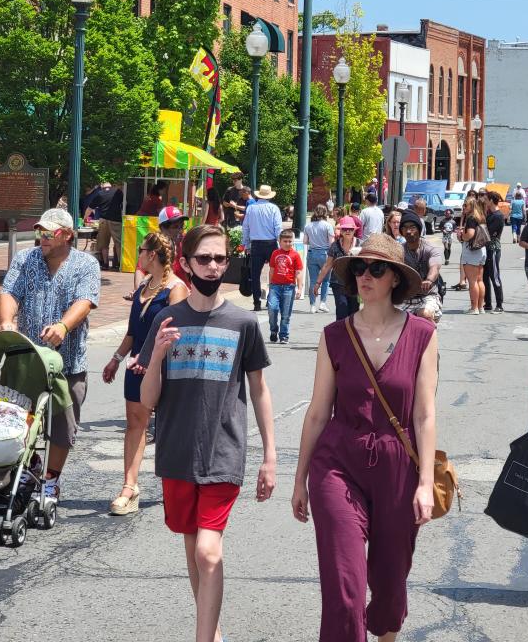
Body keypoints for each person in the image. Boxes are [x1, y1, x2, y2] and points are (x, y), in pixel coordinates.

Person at [291, 233, 437, 641]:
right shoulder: (334, 335)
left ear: (395, 279)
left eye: (376, 269)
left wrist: (425, 482)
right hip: (338, 463)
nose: (365, 276)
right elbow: (318, 411)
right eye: (359, 268)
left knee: (390, 588)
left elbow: (424, 415)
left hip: (398, 466)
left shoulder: (422, 335)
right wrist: (300, 478)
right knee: (344, 590)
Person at [138, 224, 277, 642]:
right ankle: (212, 631)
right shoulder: (167, 319)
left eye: (220, 258)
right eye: (205, 259)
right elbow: (148, 401)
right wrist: (159, 353)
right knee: (192, 547)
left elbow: (259, 390)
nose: (214, 266)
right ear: (185, 263)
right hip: (177, 454)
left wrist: (270, 456)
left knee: (207, 551)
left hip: (223, 453)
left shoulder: (242, 322)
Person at [0, 208, 101, 503]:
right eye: (39, 232)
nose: (42, 238)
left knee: (62, 427)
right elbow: (9, 294)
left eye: (49, 233)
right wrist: (7, 323)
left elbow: (85, 301)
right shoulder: (24, 260)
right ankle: (26, 469)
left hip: (68, 361)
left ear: (67, 235)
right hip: (26, 359)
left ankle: (51, 481)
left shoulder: (86, 264)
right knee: (16, 420)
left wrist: (63, 326)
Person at [102, 232, 188, 514]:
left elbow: (176, 332)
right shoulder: (143, 288)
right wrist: (116, 359)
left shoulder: (176, 288)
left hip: (165, 366)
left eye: (141, 250)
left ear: (152, 255)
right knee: (135, 424)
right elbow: (132, 332)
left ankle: (174, 481)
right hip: (136, 365)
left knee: (170, 427)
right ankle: (130, 487)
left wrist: (150, 357)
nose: (138, 255)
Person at [242, 184, 282, 312]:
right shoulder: (274, 208)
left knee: (255, 275)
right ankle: (271, 299)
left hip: (256, 244)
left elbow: (245, 228)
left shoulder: (251, 209)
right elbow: (278, 228)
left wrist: (246, 244)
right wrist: (280, 245)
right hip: (271, 244)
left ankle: (256, 302)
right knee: (275, 273)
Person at [399, 210, 443, 323]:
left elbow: (435, 266)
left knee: (424, 314)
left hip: (428, 297)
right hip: (404, 298)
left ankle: (429, 339)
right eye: (405, 228)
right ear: (401, 231)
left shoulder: (430, 249)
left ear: (419, 229)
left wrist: (428, 280)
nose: (408, 231)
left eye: (412, 227)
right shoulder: (398, 250)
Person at [312, 216, 360, 320]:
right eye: (345, 229)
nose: (348, 231)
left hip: (356, 283)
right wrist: (317, 283)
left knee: (354, 313)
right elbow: (327, 265)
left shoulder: (360, 244)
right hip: (338, 283)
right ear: (341, 231)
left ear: (354, 230)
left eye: (350, 229)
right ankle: (340, 335)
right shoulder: (335, 245)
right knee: (342, 310)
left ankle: (352, 335)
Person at [267, 229, 303, 343]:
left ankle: (284, 335)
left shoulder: (295, 255)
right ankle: (273, 330)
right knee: (272, 309)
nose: (288, 243)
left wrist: (300, 288)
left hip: (289, 287)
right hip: (275, 286)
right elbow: (271, 270)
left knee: (286, 314)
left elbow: (298, 272)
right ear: (280, 241)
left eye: (290, 241)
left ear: (293, 242)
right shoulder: (275, 253)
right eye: (285, 241)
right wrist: (270, 285)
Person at [85, 181, 124, 270]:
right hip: (116, 220)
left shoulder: (100, 194)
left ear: (102, 187)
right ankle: (119, 263)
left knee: (103, 243)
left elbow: (90, 208)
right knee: (118, 242)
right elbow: (123, 204)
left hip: (103, 220)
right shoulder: (118, 192)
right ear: (111, 186)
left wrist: (85, 218)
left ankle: (105, 264)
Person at [303, 204, 334, 314]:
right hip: (325, 253)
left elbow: (305, 241)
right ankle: (322, 302)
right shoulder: (327, 225)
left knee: (313, 280)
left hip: (312, 253)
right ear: (325, 212)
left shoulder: (308, 226)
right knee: (325, 280)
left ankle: (312, 305)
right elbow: (331, 243)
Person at [459, 199, 488, 315]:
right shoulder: (480, 216)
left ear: (471, 206)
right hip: (481, 249)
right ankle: (480, 307)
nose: (464, 207)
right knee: (480, 280)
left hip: (472, 251)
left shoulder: (471, 218)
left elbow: (470, 234)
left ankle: (474, 307)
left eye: (466, 205)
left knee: (472, 281)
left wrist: (462, 236)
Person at [483, 191, 506, 314]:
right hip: (486, 248)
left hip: (493, 249)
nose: (485, 202)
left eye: (486, 199)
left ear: (491, 200)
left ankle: (499, 304)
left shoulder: (498, 216)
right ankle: (488, 303)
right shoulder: (489, 214)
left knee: (494, 275)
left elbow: (490, 233)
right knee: (485, 276)